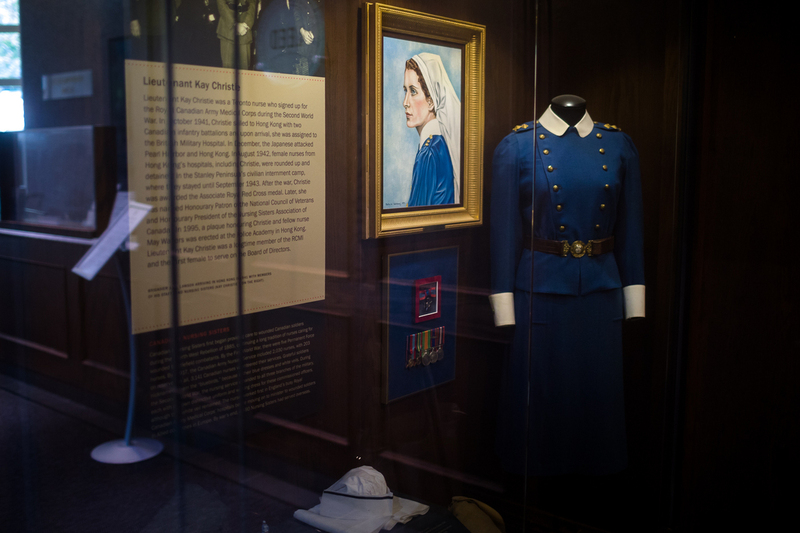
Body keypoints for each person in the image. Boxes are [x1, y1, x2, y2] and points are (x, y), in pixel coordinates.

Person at [489, 97, 645, 476]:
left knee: (599, 409)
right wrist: (504, 307)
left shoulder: (619, 145)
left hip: (601, 294)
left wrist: (635, 301)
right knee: (541, 410)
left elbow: (631, 228)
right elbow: (504, 231)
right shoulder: (517, 146)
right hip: (540, 294)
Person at [402, 53, 461, 207]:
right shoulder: (439, 144)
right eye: (405, 91)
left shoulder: (429, 152)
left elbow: (416, 217)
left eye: (413, 91)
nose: (405, 102)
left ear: (431, 102)